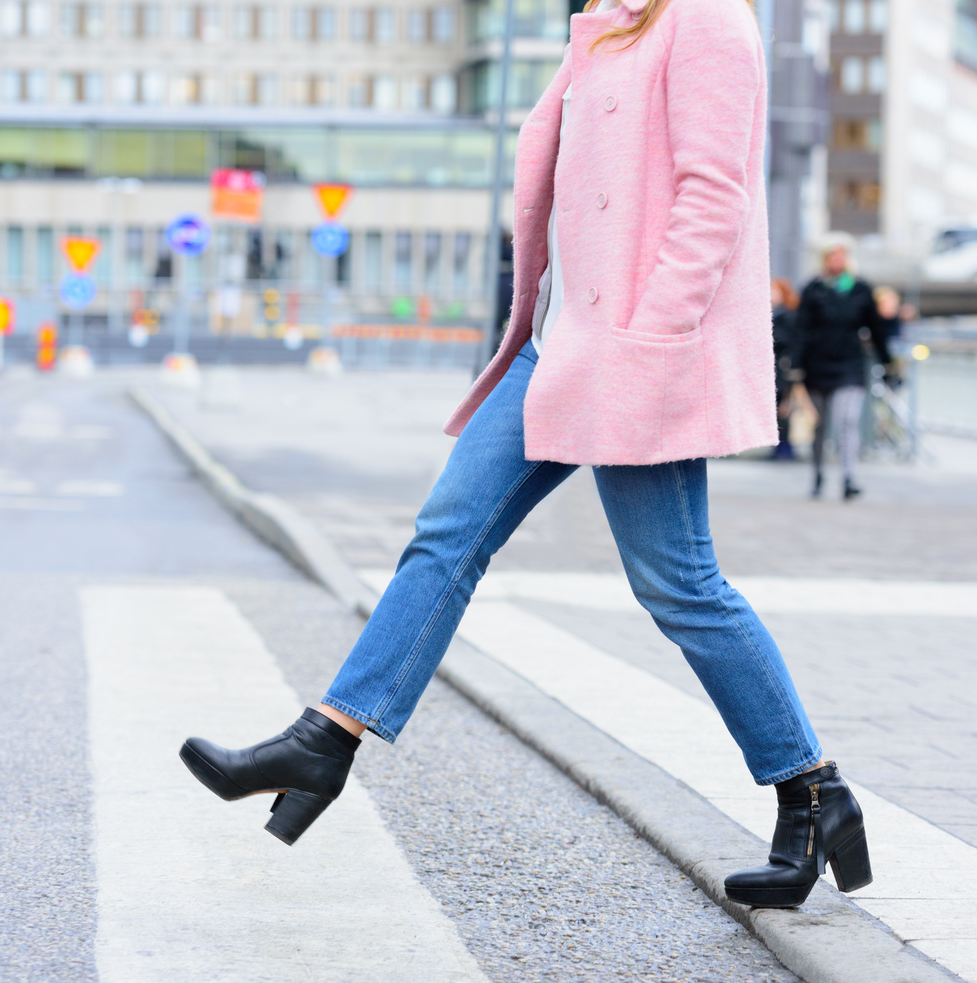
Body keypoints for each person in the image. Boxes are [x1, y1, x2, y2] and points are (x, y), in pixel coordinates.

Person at [179, 0, 872, 911]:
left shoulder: (705, 15)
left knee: (677, 583)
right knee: (445, 535)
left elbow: (714, 193)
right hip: (559, 344)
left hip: (628, 349)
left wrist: (648, 340)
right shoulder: (602, 23)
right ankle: (325, 740)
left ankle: (811, 790)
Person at [788, 236, 892, 500]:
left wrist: (887, 361)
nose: (838, 260)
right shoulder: (813, 289)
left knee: (847, 421)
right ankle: (818, 474)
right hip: (817, 365)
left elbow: (876, 329)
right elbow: (801, 331)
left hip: (850, 364)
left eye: (842, 255)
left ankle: (849, 477)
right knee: (819, 424)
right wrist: (796, 366)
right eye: (833, 256)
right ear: (824, 259)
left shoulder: (861, 289)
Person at [770, 278, 800, 460]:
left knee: (784, 407)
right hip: (772, 369)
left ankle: (785, 446)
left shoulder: (787, 315)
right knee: (775, 407)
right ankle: (777, 446)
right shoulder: (769, 314)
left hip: (783, 368)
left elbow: (789, 341)